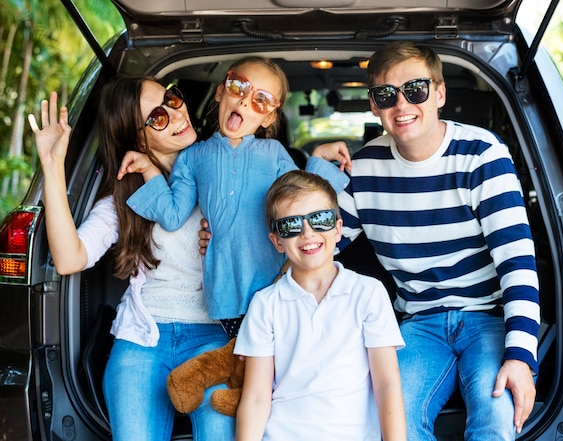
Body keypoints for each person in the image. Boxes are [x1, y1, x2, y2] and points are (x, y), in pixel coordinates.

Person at [335, 41, 541, 440]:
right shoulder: (363, 168)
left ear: (439, 93)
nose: (401, 104)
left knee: (495, 420)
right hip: (419, 321)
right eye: (385, 95)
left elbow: (517, 262)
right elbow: (320, 242)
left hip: (489, 318)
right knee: (394, 424)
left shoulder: (482, 154)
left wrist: (519, 356)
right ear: (374, 105)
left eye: (415, 89)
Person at [28, 77, 236, 441]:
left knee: (221, 429)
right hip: (143, 338)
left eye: (171, 99)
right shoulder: (124, 201)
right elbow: (69, 259)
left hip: (214, 337)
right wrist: (52, 166)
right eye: (157, 117)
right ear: (137, 139)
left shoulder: (221, 171)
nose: (176, 113)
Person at [119, 56, 350, 336]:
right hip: (224, 292)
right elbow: (172, 216)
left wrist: (316, 160)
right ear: (220, 92)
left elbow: (305, 201)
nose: (244, 101)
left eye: (261, 100)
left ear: (268, 117)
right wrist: (148, 169)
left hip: (277, 284)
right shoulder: (192, 157)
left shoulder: (274, 153)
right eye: (238, 87)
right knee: (236, 361)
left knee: (278, 364)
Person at [233, 170, 406, 441]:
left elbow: (386, 384)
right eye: (290, 226)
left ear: (338, 228)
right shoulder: (265, 304)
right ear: (277, 241)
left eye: (320, 220)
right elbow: (256, 397)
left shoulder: (368, 293)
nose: (307, 233)